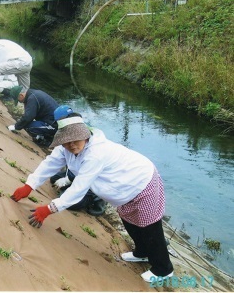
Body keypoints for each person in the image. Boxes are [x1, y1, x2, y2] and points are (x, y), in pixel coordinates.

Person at [10, 111, 174, 283]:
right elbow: (50, 164)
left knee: (149, 227)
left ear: (85, 135)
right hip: (124, 190)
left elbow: (80, 187)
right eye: (67, 142)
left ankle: (164, 269)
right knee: (130, 221)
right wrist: (30, 184)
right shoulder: (65, 148)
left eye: (75, 140)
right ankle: (142, 252)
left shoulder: (96, 153)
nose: (72, 145)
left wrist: (50, 208)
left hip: (142, 180)